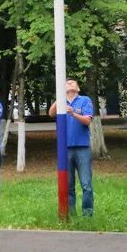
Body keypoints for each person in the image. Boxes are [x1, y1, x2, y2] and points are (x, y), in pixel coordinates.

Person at [49, 78, 94, 216]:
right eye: (66, 83)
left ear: (78, 88)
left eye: (72, 82)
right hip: (65, 149)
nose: (69, 83)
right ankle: (72, 215)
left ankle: (87, 215)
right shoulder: (60, 102)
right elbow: (51, 114)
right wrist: (59, 97)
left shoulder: (85, 100)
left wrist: (73, 113)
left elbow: (87, 120)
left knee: (86, 184)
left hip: (82, 148)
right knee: (68, 186)